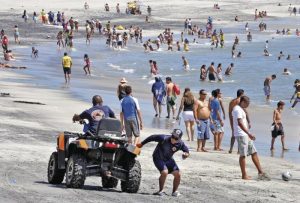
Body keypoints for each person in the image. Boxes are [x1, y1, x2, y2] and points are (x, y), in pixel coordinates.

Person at [136, 129, 190, 197]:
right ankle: (161, 191)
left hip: (169, 159)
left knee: (178, 174)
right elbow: (152, 137)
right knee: (165, 172)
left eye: (176, 138)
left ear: (179, 139)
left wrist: (186, 155)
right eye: (173, 136)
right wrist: (141, 144)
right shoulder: (163, 138)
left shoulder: (180, 144)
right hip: (158, 158)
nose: (173, 139)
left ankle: (174, 192)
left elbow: (186, 151)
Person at [232, 96, 270, 180]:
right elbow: (239, 123)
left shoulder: (241, 108)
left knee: (254, 152)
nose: (248, 106)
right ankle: (244, 175)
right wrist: (248, 133)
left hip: (245, 135)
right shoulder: (237, 109)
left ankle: (260, 171)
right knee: (243, 155)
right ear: (243, 102)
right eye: (247, 104)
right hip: (241, 134)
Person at [228, 89, 251, 153]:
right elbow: (245, 112)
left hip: (232, 119)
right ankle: (239, 150)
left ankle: (231, 149)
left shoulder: (232, 101)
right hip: (239, 118)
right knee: (240, 133)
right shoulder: (240, 101)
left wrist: (231, 120)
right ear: (242, 94)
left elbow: (229, 112)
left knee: (234, 134)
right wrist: (249, 121)